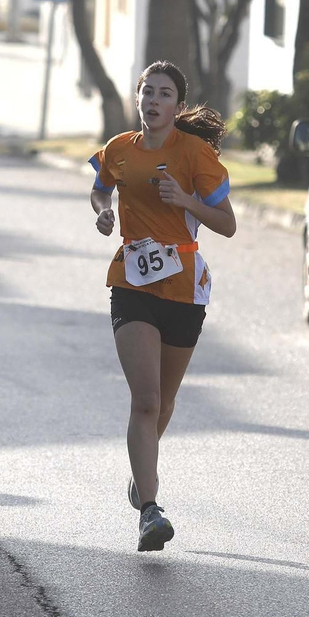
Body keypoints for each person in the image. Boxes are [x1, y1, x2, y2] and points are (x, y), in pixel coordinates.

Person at [89, 60, 235, 552]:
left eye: (164, 94)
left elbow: (228, 223)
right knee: (146, 399)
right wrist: (105, 212)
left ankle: (140, 475)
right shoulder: (119, 149)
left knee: (165, 403)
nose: (153, 101)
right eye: (147, 92)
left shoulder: (193, 154)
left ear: (177, 105)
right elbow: (99, 187)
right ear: (138, 98)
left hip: (185, 285)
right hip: (131, 279)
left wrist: (187, 201)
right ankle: (150, 510)